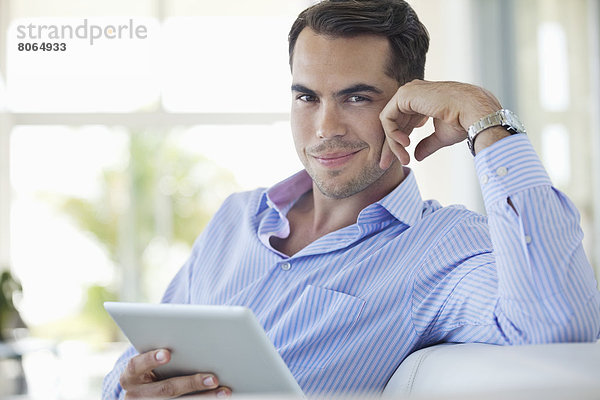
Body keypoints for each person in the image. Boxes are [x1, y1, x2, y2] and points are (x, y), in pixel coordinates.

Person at [103, 0, 600, 398]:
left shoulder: (442, 248)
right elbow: (134, 365)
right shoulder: (238, 217)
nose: (325, 129)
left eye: (356, 97)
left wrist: (484, 117)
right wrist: (130, 391)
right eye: (307, 97)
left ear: (411, 105)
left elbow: (558, 325)